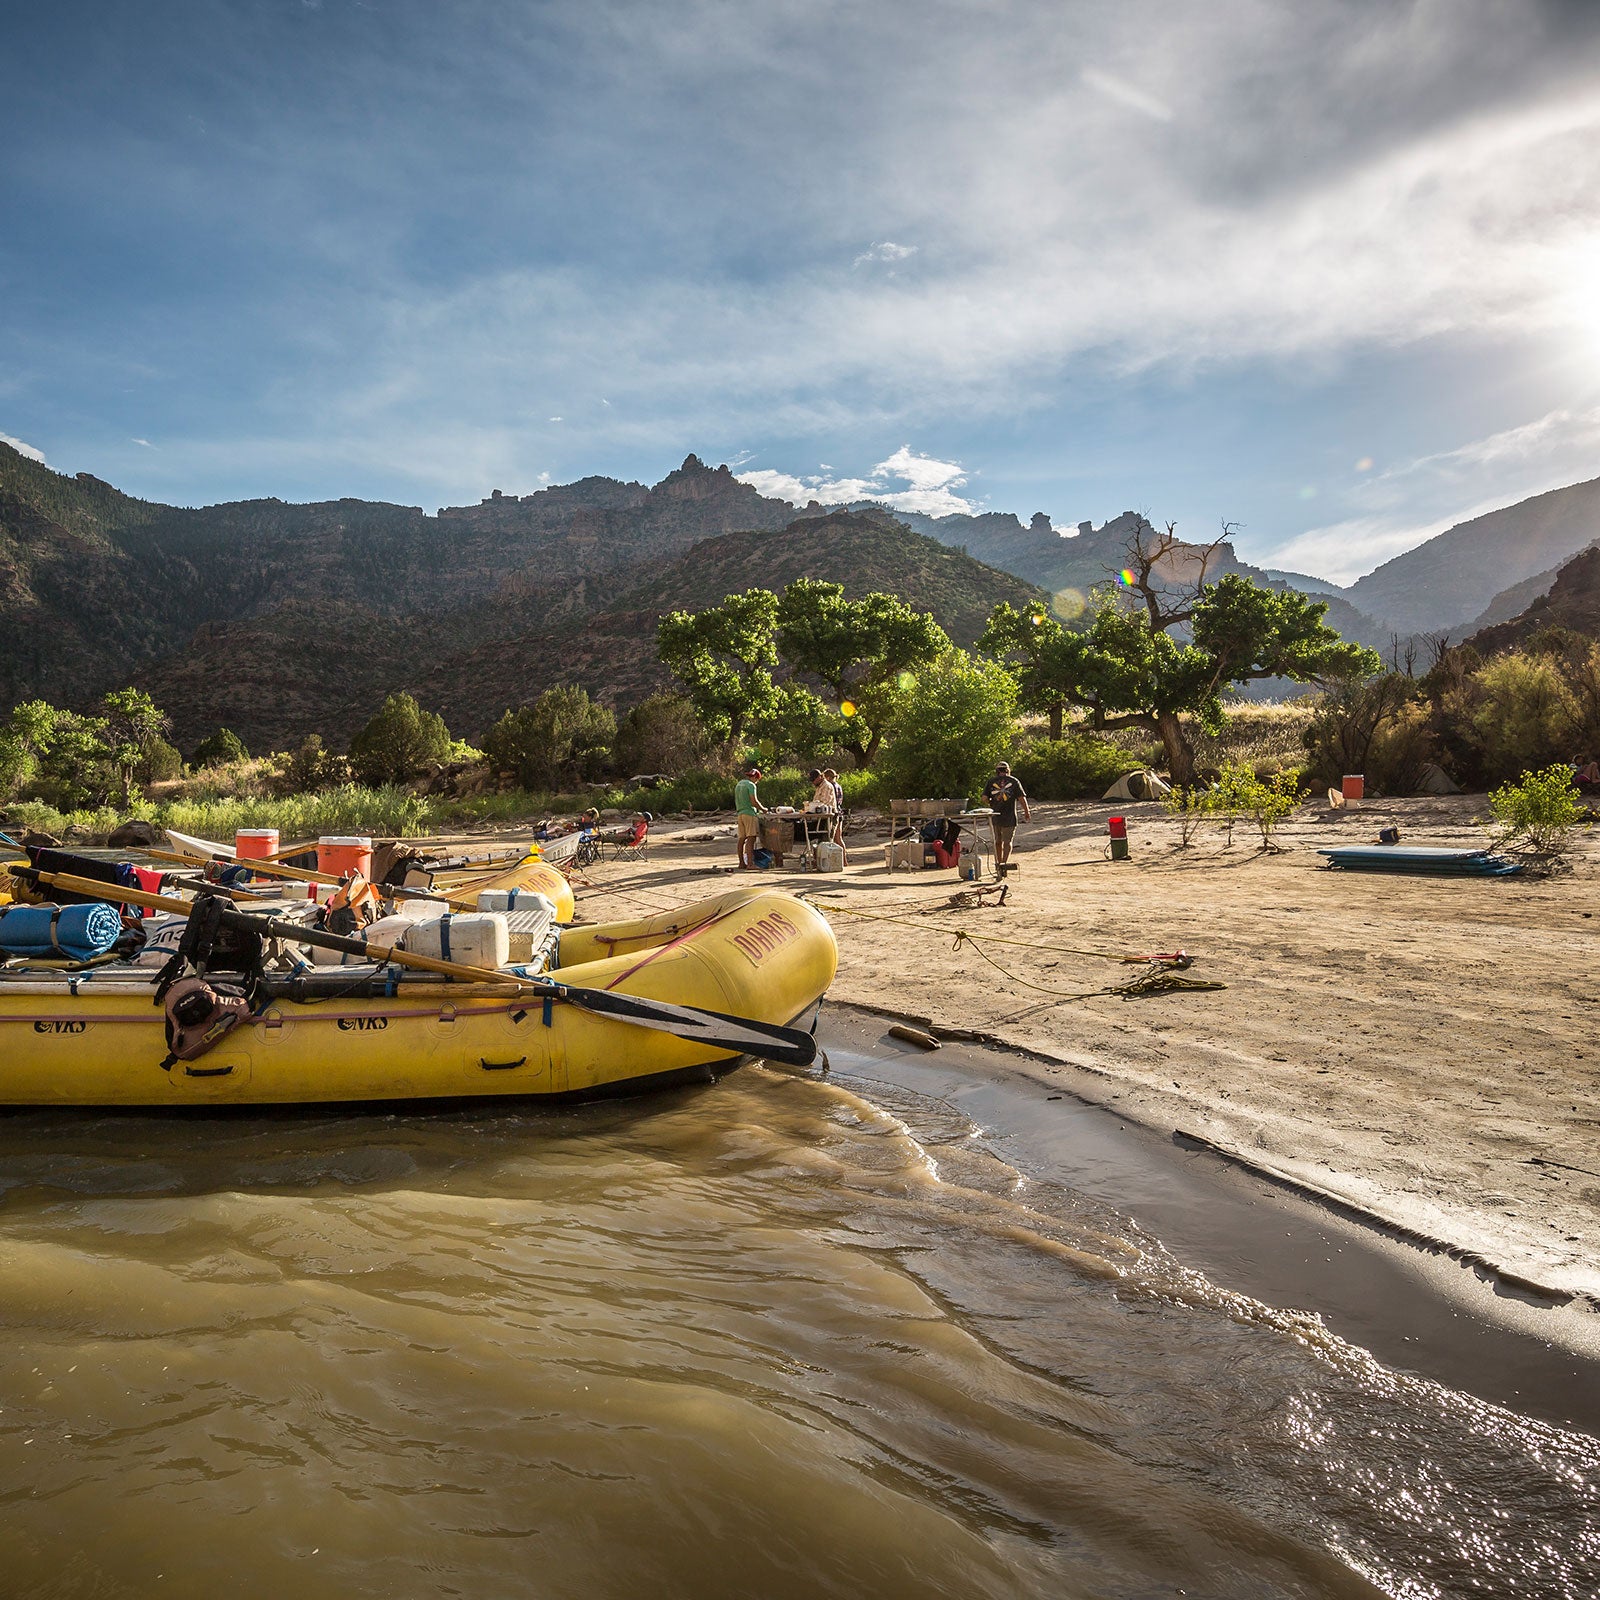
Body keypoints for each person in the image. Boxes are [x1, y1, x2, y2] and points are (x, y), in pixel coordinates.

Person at [983, 761, 1030, 873]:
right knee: (1007, 841)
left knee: (997, 841)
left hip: (995, 816)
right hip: (1009, 816)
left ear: (997, 771)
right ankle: (1004, 863)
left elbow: (984, 798)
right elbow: (1021, 798)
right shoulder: (1014, 781)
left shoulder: (991, 781)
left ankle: (998, 864)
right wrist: (1027, 811)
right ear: (1008, 770)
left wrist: (990, 802)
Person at [734, 766, 766, 869]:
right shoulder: (751, 785)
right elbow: (754, 801)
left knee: (741, 839)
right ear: (755, 778)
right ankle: (750, 864)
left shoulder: (739, 784)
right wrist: (763, 809)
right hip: (749, 813)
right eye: (757, 780)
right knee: (751, 838)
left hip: (740, 813)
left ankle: (741, 863)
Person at [822, 767, 847, 864]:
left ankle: (836, 860)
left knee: (833, 837)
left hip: (834, 813)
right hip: (840, 812)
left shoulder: (830, 786)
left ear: (827, 777)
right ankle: (844, 860)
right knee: (839, 838)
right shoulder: (838, 786)